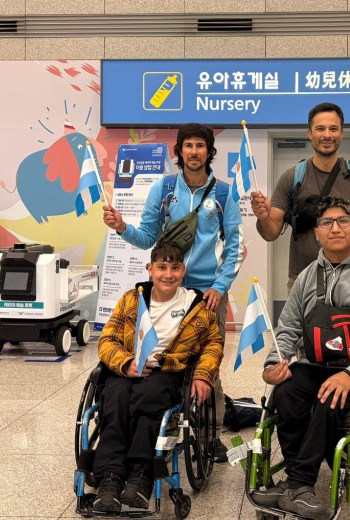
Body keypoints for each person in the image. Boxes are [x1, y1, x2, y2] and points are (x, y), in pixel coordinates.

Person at [252, 196, 350, 520]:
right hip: (316, 364)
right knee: (286, 392)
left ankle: (298, 484)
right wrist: (272, 364)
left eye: (343, 221)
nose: (335, 228)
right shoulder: (307, 277)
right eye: (326, 222)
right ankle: (298, 483)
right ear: (317, 233)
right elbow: (288, 328)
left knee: (330, 395)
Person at [102, 123, 244, 429]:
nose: (194, 152)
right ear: (179, 150)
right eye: (188, 145)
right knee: (164, 357)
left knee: (207, 363)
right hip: (167, 290)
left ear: (209, 151)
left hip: (207, 294)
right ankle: (160, 421)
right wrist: (121, 227)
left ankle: (210, 431)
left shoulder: (223, 193)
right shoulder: (164, 189)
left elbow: (236, 247)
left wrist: (219, 287)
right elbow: (146, 238)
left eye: (200, 146)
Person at [91, 242, 223, 512]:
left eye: (175, 267)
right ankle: (110, 478)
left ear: (183, 270)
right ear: (150, 269)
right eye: (162, 267)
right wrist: (125, 363)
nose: (168, 274)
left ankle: (140, 474)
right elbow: (107, 340)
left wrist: (203, 376)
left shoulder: (197, 305)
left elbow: (213, 344)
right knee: (115, 398)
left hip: (168, 371)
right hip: (128, 366)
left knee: (148, 398)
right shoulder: (131, 299)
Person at [251, 102, 350, 291]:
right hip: (303, 280)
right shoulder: (292, 177)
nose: (327, 135)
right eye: (320, 129)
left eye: (333, 129)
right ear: (309, 133)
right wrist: (263, 217)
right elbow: (270, 233)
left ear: (341, 133)